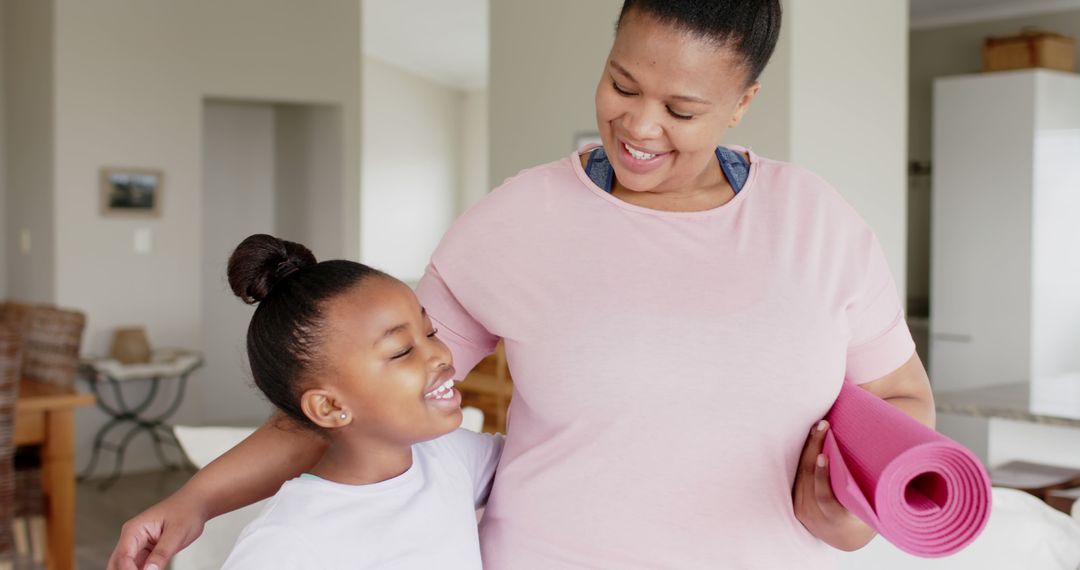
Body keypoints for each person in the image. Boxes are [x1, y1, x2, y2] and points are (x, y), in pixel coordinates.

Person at [109, 1, 935, 568]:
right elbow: (356, 393)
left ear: (743, 102)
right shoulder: (519, 221)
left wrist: (848, 516)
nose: (640, 128)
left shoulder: (817, 221)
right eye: (622, 84)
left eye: (682, 110)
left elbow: (900, 398)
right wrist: (195, 502)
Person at [217, 234, 503, 569]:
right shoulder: (286, 541)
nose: (440, 355)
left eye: (430, 333)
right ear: (330, 407)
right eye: (402, 351)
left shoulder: (451, 456)